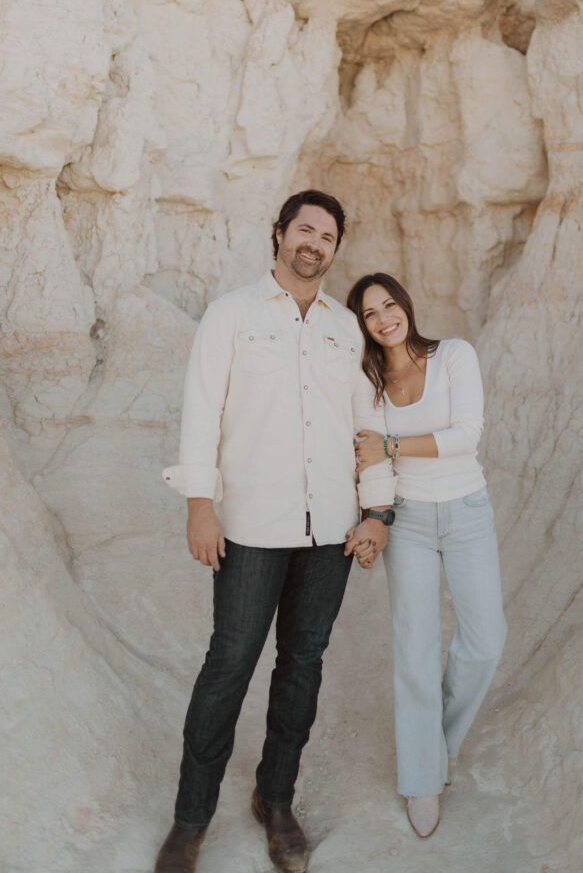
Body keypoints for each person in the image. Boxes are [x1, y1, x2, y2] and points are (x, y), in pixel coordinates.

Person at [155, 192, 396, 873]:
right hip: (250, 526)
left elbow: (366, 426)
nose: (313, 242)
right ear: (279, 235)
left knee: (302, 665)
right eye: (303, 230)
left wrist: (376, 512)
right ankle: (190, 818)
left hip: (329, 531)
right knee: (228, 664)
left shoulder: (346, 329)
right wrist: (199, 504)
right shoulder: (230, 315)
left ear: (335, 248)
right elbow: (201, 411)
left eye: (326, 235)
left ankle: (276, 799)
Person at [346, 272, 507, 840]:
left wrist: (389, 444)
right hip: (409, 518)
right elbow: (367, 460)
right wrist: (374, 520)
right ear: (362, 326)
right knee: (415, 649)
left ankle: (437, 741)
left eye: (389, 304)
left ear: (406, 306)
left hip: (466, 509)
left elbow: (466, 436)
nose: (384, 317)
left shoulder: (454, 356)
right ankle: (421, 776)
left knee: (486, 638)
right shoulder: (367, 381)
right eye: (369, 313)